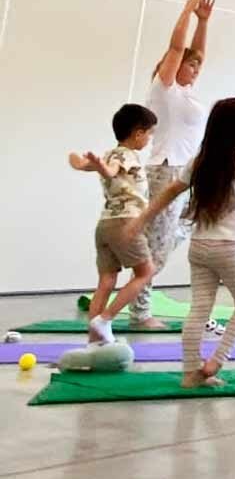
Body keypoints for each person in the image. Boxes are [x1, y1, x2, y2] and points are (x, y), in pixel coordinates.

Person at [125, 98, 235, 388]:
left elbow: (170, 191)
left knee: (199, 308)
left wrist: (141, 220)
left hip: (200, 246)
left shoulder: (201, 159)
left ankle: (190, 373)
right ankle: (216, 361)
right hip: (229, 246)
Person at [129, 0, 214, 329]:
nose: (194, 68)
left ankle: (140, 251)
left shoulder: (188, 92)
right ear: (172, 66)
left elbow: (198, 53)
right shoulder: (163, 89)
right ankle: (140, 312)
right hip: (166, 170)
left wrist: (204, 22)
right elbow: (179, 48)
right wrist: (187, 10)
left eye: (196, 66)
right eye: (188, 64)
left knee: (196, 220)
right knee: (159, 248)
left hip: (188, 170)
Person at [68, 103, 159, 344]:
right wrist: (101, 168)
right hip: (125, 223)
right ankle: (105, 319)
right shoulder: (124, 155)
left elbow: (94, 167)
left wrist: (80, 162)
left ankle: (94, 341)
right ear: (138, 133)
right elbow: (111, 171)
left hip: (105, 225)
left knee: (106, 281)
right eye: (149, 133)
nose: (149, 139)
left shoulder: (109, 154)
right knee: (146, 271)